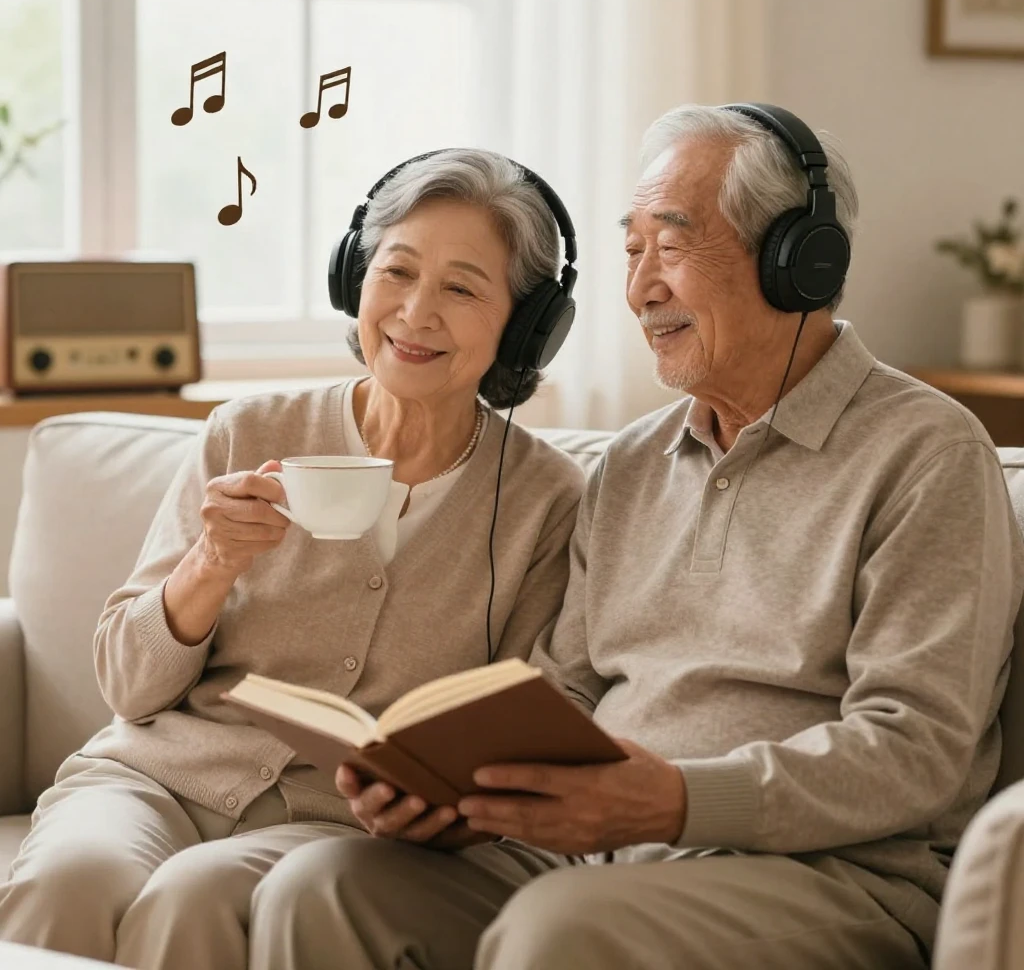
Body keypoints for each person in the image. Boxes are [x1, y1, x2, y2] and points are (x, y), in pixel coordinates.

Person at [262, 103, 1023, 970]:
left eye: (670, 246)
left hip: (827, 879)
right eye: (631, 253)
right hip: (596, 859)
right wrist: (458, 793)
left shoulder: (926, 452)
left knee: (566, 929)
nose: (640, 290)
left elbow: (914, 747)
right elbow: (570, 690)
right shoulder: (631, 463)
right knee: (323, 884)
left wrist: (675, 802)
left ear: (798, 262)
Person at [0, 149, 585, 970]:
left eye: (461, 288)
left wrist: (448, 803)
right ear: (357, 281)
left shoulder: (546, 498)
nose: (416, 312)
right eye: (397, 272)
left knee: (193, 900)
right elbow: (127, 686)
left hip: (336, 824)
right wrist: (210, 561)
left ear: (525, 325)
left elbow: (528, 720)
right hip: (155, 778)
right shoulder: (249, 431)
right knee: (71, 880)